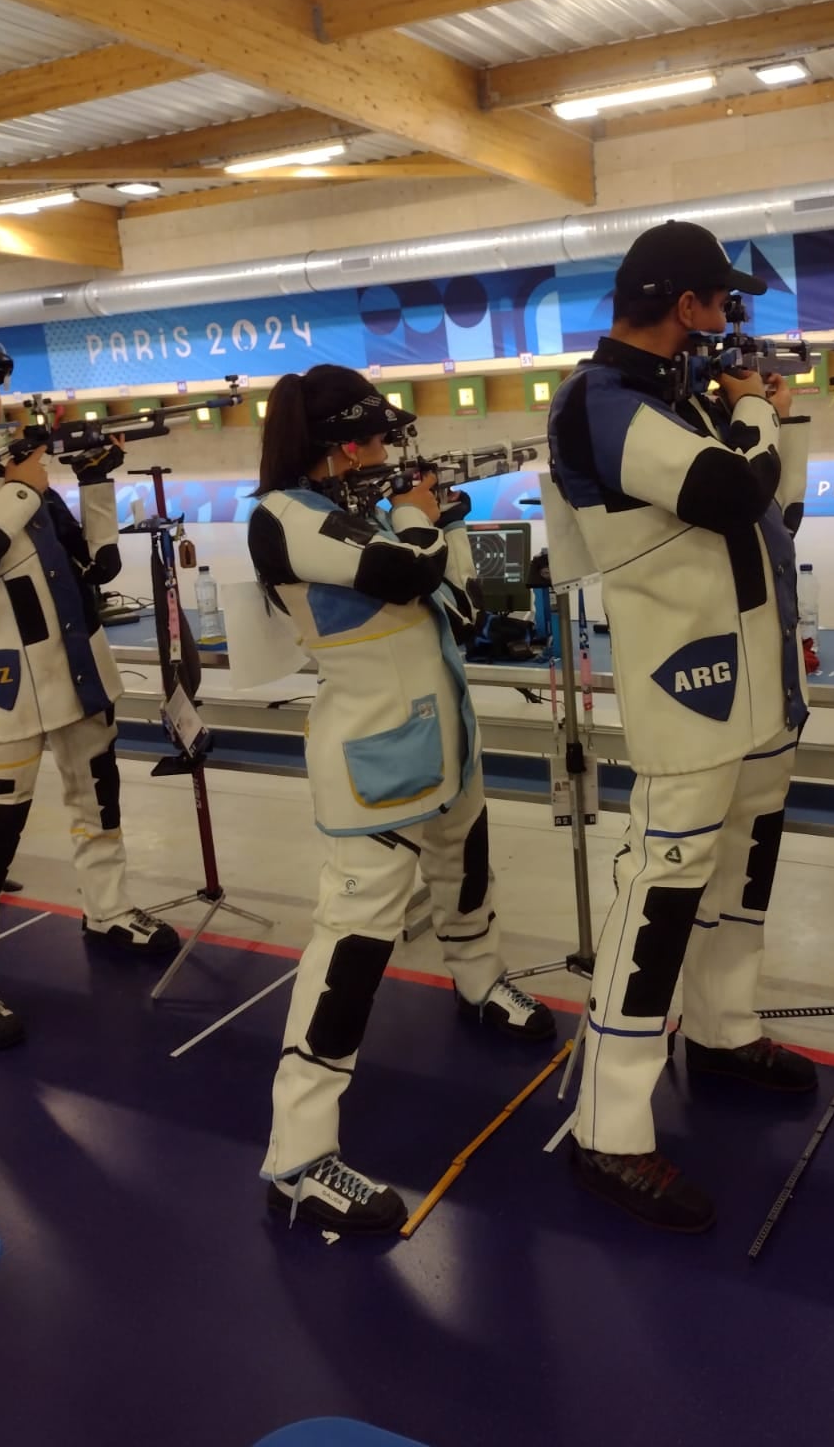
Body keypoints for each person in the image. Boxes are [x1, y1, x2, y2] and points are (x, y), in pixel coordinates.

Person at [547, 220, 816, 1233]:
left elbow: (775, 516)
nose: (729, 318)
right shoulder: (603, 403)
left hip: (753, 689)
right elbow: (725, 492)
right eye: (720, 300)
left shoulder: (677, 399)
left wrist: (773, 419)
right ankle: (609, 1128)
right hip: (688, 692)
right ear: (681, 303)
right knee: (658, 905)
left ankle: (724, 1030)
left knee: (741, 878)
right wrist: (752, 417)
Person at [248, 364, 555, 1238]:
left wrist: (433, 519)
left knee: (469, 871)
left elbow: (455, 606)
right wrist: (421, 515)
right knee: (351, 945)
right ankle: (299, 1156)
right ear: (345, 443)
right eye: (378, 438)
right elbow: (397, 570)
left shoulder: (362, 508)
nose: (389, 452)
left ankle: (480, 980)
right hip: (371, 761)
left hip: (439, 739)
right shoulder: (283, 516)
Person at [0, 335, 180, 1050]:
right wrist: (26, 486)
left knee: (98, 795)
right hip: (6, 678)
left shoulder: (9, 470)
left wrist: (97, 482)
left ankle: (107, 910)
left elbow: (98, 563)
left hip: (80, 665)